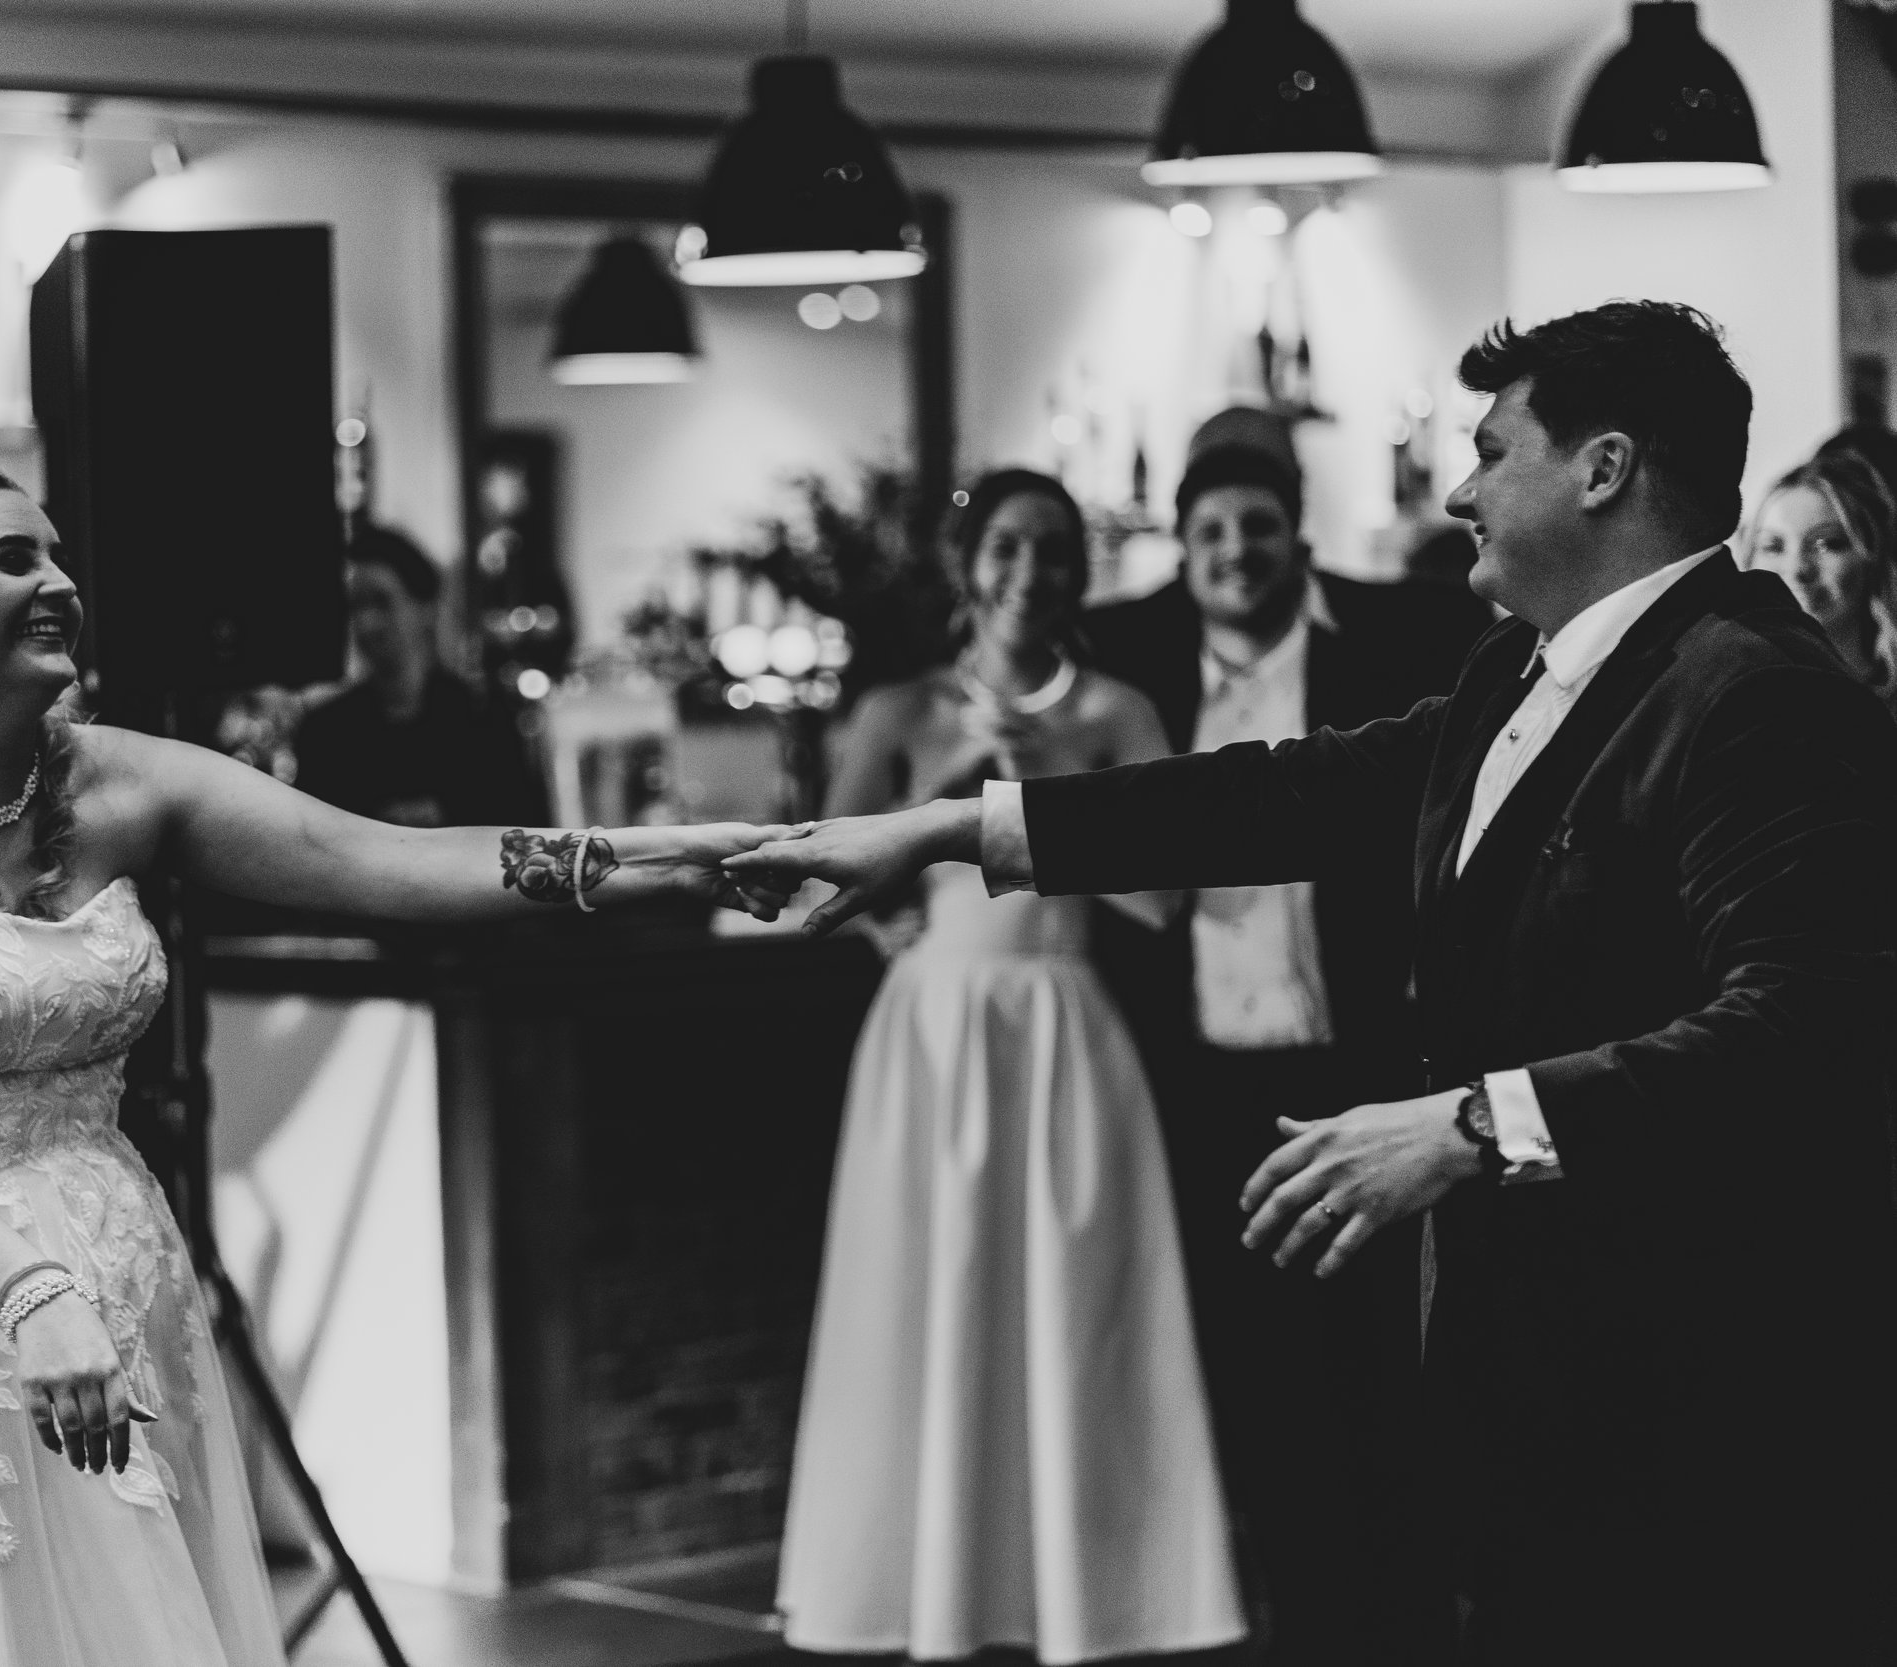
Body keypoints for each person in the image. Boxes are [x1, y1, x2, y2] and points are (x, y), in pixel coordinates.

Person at [729, 301, 1897, 1663]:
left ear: (1605, 468)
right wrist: (954, 828)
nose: (1457, 489)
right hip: (1541, 1380)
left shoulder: (1753, 690)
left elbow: (1815, 1030)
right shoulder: (1522, 673)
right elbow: (1284, 795)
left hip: (1697, 1396)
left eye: (1491, 448)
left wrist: (1472, 1122)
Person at [0, 459, 786, 1666]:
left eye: (59, 554)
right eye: (12, 558)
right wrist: (30, 1290)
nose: (59, 582)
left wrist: (675, 855)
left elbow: (386, 860)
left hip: (119, 1291)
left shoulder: (117, 778)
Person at [775, 470, 1242, 1665]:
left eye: (1051, 552)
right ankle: (926, 1585)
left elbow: (1163, 899)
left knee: (1076, 1306)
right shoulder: (895, 709)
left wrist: (1049, 814)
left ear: (1078, 574)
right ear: (966, 563)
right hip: (931, 1023)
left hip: (1062, 1024)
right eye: (1005, 549)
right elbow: (804, 878)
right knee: (922, 1297)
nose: (1027, 573)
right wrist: (941, 809)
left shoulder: (1119, 709)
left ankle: (1084, 1591)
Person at [1078, 436, 1488, 1663]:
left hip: (1360, 1059)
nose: (1234, 552)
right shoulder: (1127, 653)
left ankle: (1406, 1620)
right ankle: (1297, 1619)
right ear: (1180, 543)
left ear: (1295, 530)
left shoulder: (1402, 634)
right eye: (1209, 531)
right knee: (1252, 1371)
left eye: (1256, 526)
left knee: (1386, 1363)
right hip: (1200, 1071)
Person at [294, 524, 546, 829]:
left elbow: (520, 831)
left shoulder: (482, 719)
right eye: (355, 606)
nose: (365, 624)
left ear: (425, 609)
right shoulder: (326, 733)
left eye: (381, 602)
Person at [1745, 447, 1897, 702]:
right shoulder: (1730, 695)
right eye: (1773, 547)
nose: (1797, 569)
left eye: (1826, 544)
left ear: (1873, 556)